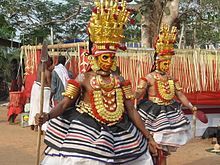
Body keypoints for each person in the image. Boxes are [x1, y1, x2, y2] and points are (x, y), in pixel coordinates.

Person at [35, 1, 160, 164]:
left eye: (112, 57)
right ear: (95, 58)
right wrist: (47, 116)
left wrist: (148, 137)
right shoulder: (83, 78)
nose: (108, 61)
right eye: (105, 57)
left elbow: (131, 110)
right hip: (86, 131)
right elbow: (65, 104)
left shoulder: (120, 81)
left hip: (119, 131)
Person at [135, 24, 197, 165]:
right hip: (152, 114)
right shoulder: (149, 77)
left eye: (168, 63)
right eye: (164, 63)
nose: (166, 66)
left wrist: (191, 106)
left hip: (169, 114)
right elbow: (138, 94)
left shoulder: (171, 79)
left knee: (164, 147)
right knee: (153, 144)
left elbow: (180, 95)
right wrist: (132, 95)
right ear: (157, 62)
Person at [28, 56, 52, 131]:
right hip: (44, 90)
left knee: (35, 106)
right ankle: (42, 127)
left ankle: (34, 125)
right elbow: (49, 84)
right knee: (44, 107)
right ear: (48, 62)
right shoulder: (47, 73)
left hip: (35, 87)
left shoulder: (39, 67)